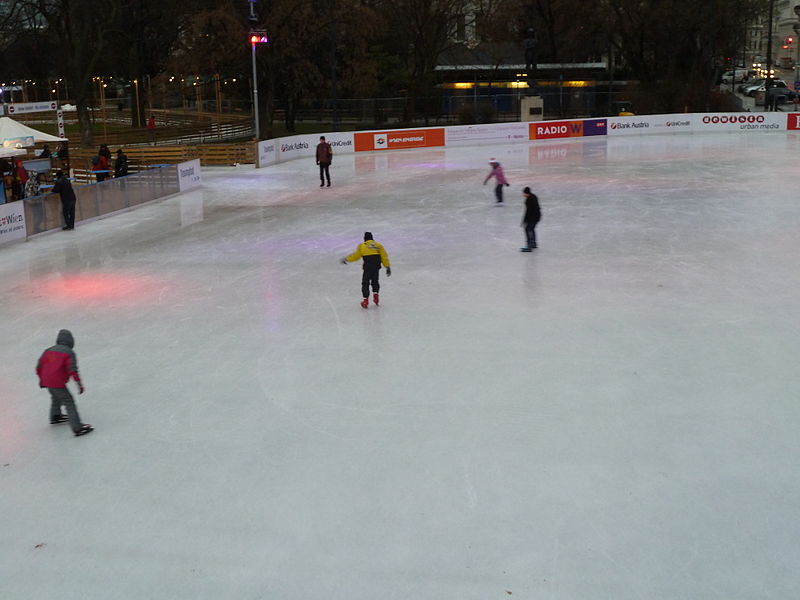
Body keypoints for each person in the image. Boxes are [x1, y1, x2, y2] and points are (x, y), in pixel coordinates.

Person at [36, 329, 93, 437]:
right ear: (71, 342)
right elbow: (72, 370)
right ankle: (78, 428)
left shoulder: (47, 350)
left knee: (56, 396)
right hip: (57, 381)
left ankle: (55, 416)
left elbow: (39, 367)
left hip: (47, 380)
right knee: (68, 401)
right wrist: (79, 384)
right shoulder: (68, 352)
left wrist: (42, 380)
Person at [341, 232, 391, 308]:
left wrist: (347, 259)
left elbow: (355, 256)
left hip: (367, 268)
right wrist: (387, 267)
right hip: (376, 267)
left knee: (365, 283)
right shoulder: (378, 245)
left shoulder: (362, 246)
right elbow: (384, 256)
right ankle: (376, 296)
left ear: (365, 238)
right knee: (375, 281)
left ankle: (365, 301)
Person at [520, 186, 541, 252]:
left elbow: (528, 212)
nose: (523, 194)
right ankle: (533, 244)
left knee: (528, 229)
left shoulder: (528, 200)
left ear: (526, 193)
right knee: (531, 229)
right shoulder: (534, 196)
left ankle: (529, 246)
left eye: (524, 193)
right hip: (537, 216)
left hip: (533, 217)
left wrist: (524, 220)